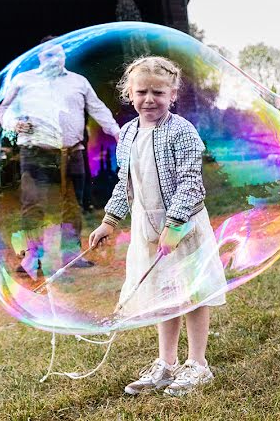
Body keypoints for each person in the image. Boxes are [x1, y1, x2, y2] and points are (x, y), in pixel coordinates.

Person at [88, 56, 226, 397]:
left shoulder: (182, 131)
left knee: (191, 293)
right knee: (165, 295)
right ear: (129, 94)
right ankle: (165, 364)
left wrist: (175, 224)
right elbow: (125, 182)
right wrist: (110, 220)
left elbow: (192, 184)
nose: (149, 99)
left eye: (158, 92)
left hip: (183, 228)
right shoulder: (128, 133)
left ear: (173, 94)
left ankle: (197, 365)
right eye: (142, 92)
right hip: (147, 229)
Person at [0, 37, 121, 276]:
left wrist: (117, 133)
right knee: (33, 205)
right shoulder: (23, 80)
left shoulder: (78, 81)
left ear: (64, 55)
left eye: (58, 53)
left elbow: (97, 109)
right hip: (35, 151)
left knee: (73, 204)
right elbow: (4, 109)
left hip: (72, 151)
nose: (54, 58)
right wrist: (13, 124)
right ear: (39, 57)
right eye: (48, 55)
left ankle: (70, 254)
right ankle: (33, 258)